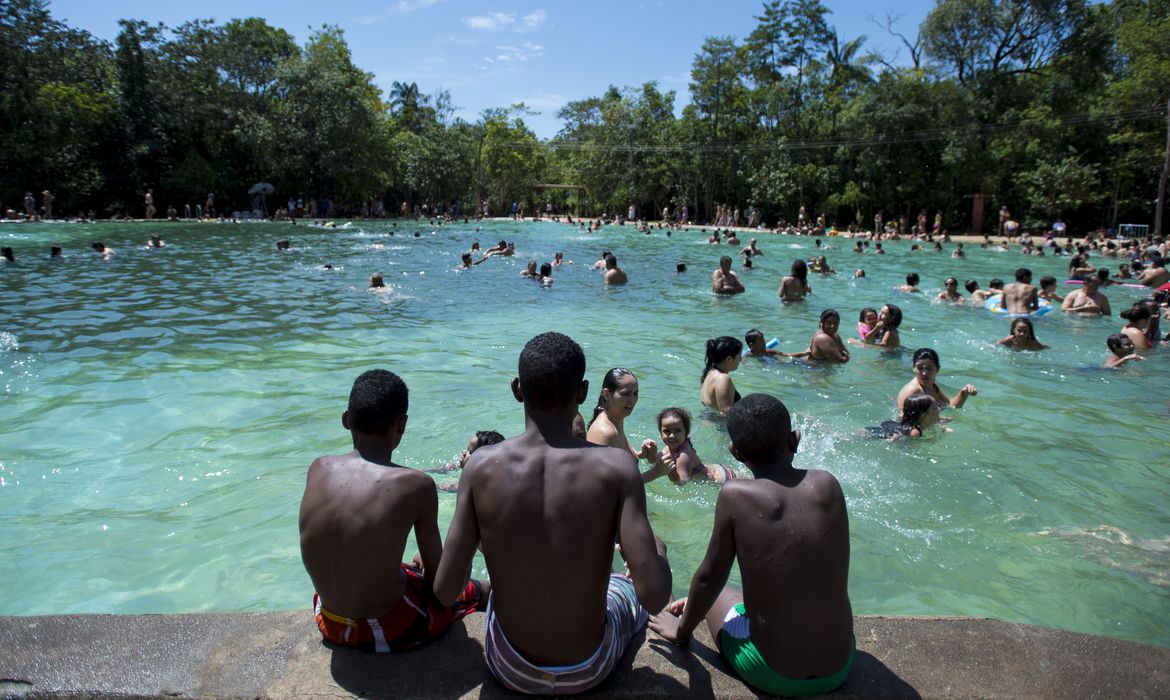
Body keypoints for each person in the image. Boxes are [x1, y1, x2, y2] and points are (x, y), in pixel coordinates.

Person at [432, 332, 671, 694]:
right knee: (630, 575)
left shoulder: (481, 466)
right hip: (588, 667)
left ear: (517, 389)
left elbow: (447, 590)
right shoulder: (617, 468)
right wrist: (659, 555)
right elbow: (653, 597)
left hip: (509, 665)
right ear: (583, 392)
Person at [648, 394, 854, 698]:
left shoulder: (736, 494)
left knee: (720, 596)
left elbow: (708, 579)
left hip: (775, 674)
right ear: (794, 440)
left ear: (735, 451)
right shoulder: (828, 484)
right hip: (840, 665)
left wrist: (681, 630)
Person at [299, 369, 487, 652]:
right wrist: (471, 535)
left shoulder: (318, 468)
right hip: (384, 629)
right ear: (401, 424)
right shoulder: (416, 484)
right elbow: (443, 593)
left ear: (346, 419)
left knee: (409, 568)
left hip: (328, 618)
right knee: (480, 590)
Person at [641, 407, 737, 484]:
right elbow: (656, 462)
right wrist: (651, 454)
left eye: (677, 430)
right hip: (717, 469)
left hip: (721, 479)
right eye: (667, 431)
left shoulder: (684, 456)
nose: (672, 435)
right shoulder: (670, 448)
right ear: (660, 432)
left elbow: (682, 482)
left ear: (686, 432)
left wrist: (670, 471)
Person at [586, 367, 658, 463]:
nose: (632, 399)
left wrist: (642, 454)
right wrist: (657, 472)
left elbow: (623, 460)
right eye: (626, 394)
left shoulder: (616, 419)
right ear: (607, 394)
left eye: (635, 393)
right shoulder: (605, 433)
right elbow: (610, 478)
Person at [897, 348, 977, 416]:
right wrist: (940, 424)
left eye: (929, 368)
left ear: (937, 369)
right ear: (913, 368)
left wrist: (963, 394)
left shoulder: (932, 385)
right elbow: (904, 420)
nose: (924, 373)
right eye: (919, 368)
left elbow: (951, 406)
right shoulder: (913, 391)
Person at [700, 336, 743, 414]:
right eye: (739, 355)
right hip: (722, 424)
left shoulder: (709, 372)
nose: (741, 359)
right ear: (729, 359)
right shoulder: (723, 378)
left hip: (710, 421)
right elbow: (726, 411)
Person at [869, 393, 939, 439]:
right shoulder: (915, 433)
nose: (938, 409)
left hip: (873, 429)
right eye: (935, 408)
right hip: (871, 435)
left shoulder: (908, 423)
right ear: (924, 415)